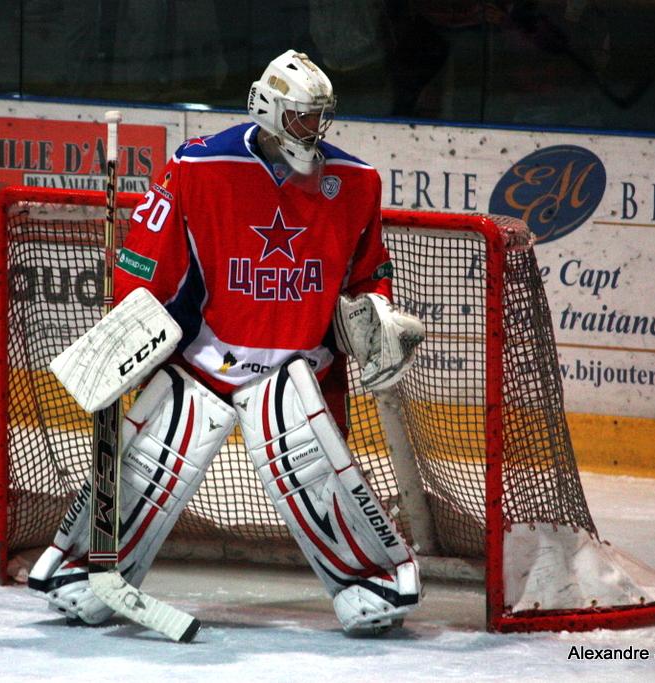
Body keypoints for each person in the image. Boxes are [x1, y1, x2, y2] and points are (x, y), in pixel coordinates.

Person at [28, 50, 426, 636]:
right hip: (205, 362)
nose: (314, 129)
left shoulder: (356, 181)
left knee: (316, 478)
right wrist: (126, 330)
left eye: (320, 117)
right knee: (143, 472)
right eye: (302, 117)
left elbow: (366, 276)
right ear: (269, 110)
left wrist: (377, 316)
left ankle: (372, 580)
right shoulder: (198, 166)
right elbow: (149, 263)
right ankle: (88, 570)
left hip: (298, 367)